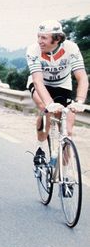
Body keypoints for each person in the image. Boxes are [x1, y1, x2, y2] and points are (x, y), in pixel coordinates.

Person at [26, 20, 87, 166]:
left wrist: (79, 101)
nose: (39, 41)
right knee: (44, 108)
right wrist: (49, 104)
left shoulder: (71, 48)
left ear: (57, 38)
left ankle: (65, 174)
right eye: (38, 36)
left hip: (62, 85)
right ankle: (40, 148)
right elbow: (38, 81)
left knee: (68, 130)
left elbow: (82, 77)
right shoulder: (33, 50)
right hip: (41, 83)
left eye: (44, 38)